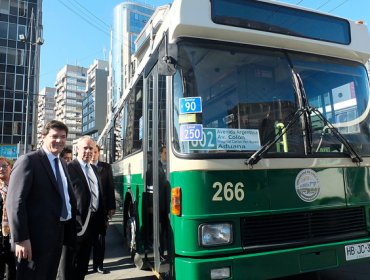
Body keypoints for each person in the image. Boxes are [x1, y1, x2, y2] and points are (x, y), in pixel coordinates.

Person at [6, 120, 76, 280]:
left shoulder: (63, 164)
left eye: (63, 137)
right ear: (43, 137)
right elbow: (15, 202)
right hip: (33, 242)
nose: (59, 140)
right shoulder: (29, 161)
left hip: (57, 236)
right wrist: (21, 239)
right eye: (55, 136)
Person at [67, 136, 106, 280]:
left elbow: (98, 195)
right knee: (71, 265)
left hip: (93, 224)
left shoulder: (94, 170)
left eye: (92, 148)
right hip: (77, 225)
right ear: (77, 149)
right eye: (85, 148)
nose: (89, 151)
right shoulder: (69, 168)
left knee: (83, 264)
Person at [91, 145, 115, 274]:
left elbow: (110, 188)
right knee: (86, 240)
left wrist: (111, 207)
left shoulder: (106, 167)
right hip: (86, 211)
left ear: (99, 153)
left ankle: (99, 265)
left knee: (100, 239)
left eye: (95, 152)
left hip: (102, 209)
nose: (93, 154)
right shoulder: (82, 167)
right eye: (91, 151)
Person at [0, 157, 15, 280]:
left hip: (13, 233)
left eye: (4, 166)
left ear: (10, 167)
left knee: (12, 265)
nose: (1, 169)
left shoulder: (16, 186)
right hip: (0, 233)